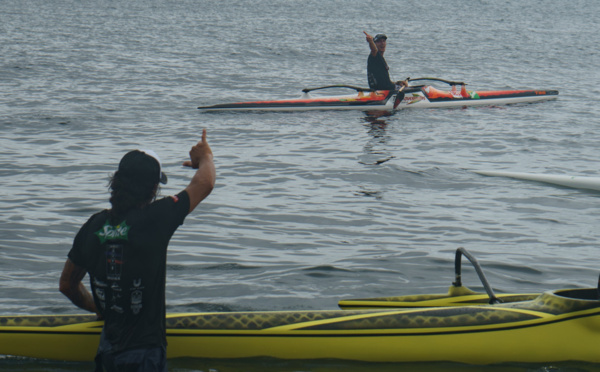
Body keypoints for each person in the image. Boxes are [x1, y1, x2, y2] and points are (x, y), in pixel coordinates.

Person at [59, 129, 216, 371]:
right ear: (154, 189)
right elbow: (204, 183)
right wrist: (205, 157)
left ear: (116, 182)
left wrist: (99, 309)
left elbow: (67, 285)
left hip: (107, 351)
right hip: (144, 354)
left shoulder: (93, 226)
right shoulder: (157, 218)